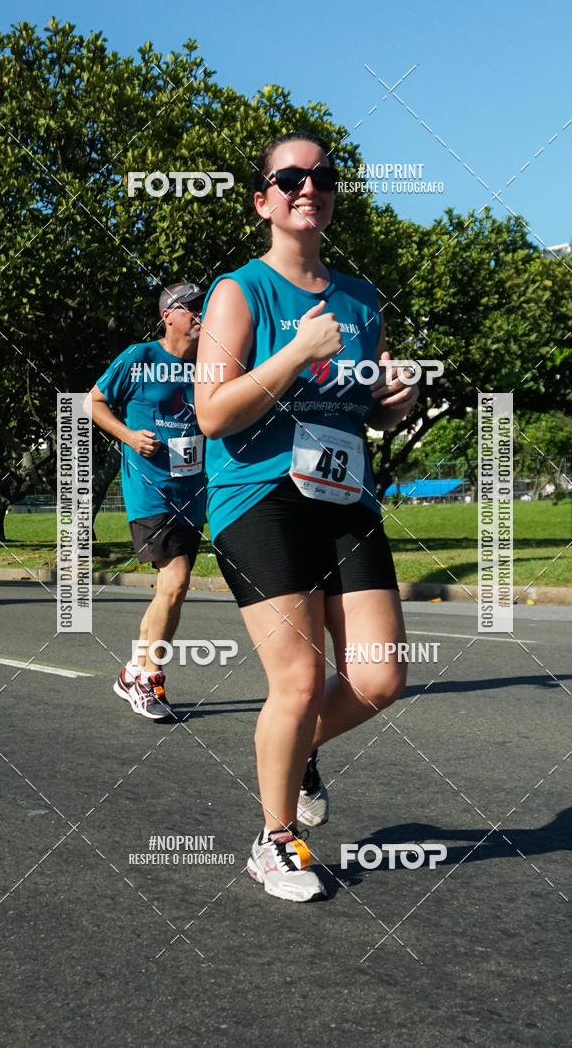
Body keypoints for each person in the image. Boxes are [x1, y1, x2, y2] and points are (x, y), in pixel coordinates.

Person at [195, 131, 418, 902]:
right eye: (288, 177)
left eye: (321, 176)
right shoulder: (239, 291)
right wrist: (296, 350)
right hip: (260, 497)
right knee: (299, 678)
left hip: (344, 497)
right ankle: (276, 838)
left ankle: (296, 752)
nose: (306, 186)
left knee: (381, 676)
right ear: (263, 199)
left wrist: (398, 401)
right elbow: (213, 412)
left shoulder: (361, 299)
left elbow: (366, 411)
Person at [89, 282, 207, 720]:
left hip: (192, 493)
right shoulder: (139, 358)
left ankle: (132, 672)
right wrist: (129, 436)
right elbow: (94, 403)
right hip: (150, 489)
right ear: (168, 315)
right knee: (174, 583)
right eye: (192, 308)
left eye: (204, 308)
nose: (201, 315)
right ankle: (149, 681)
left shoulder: (211, 363)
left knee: (171, 591)